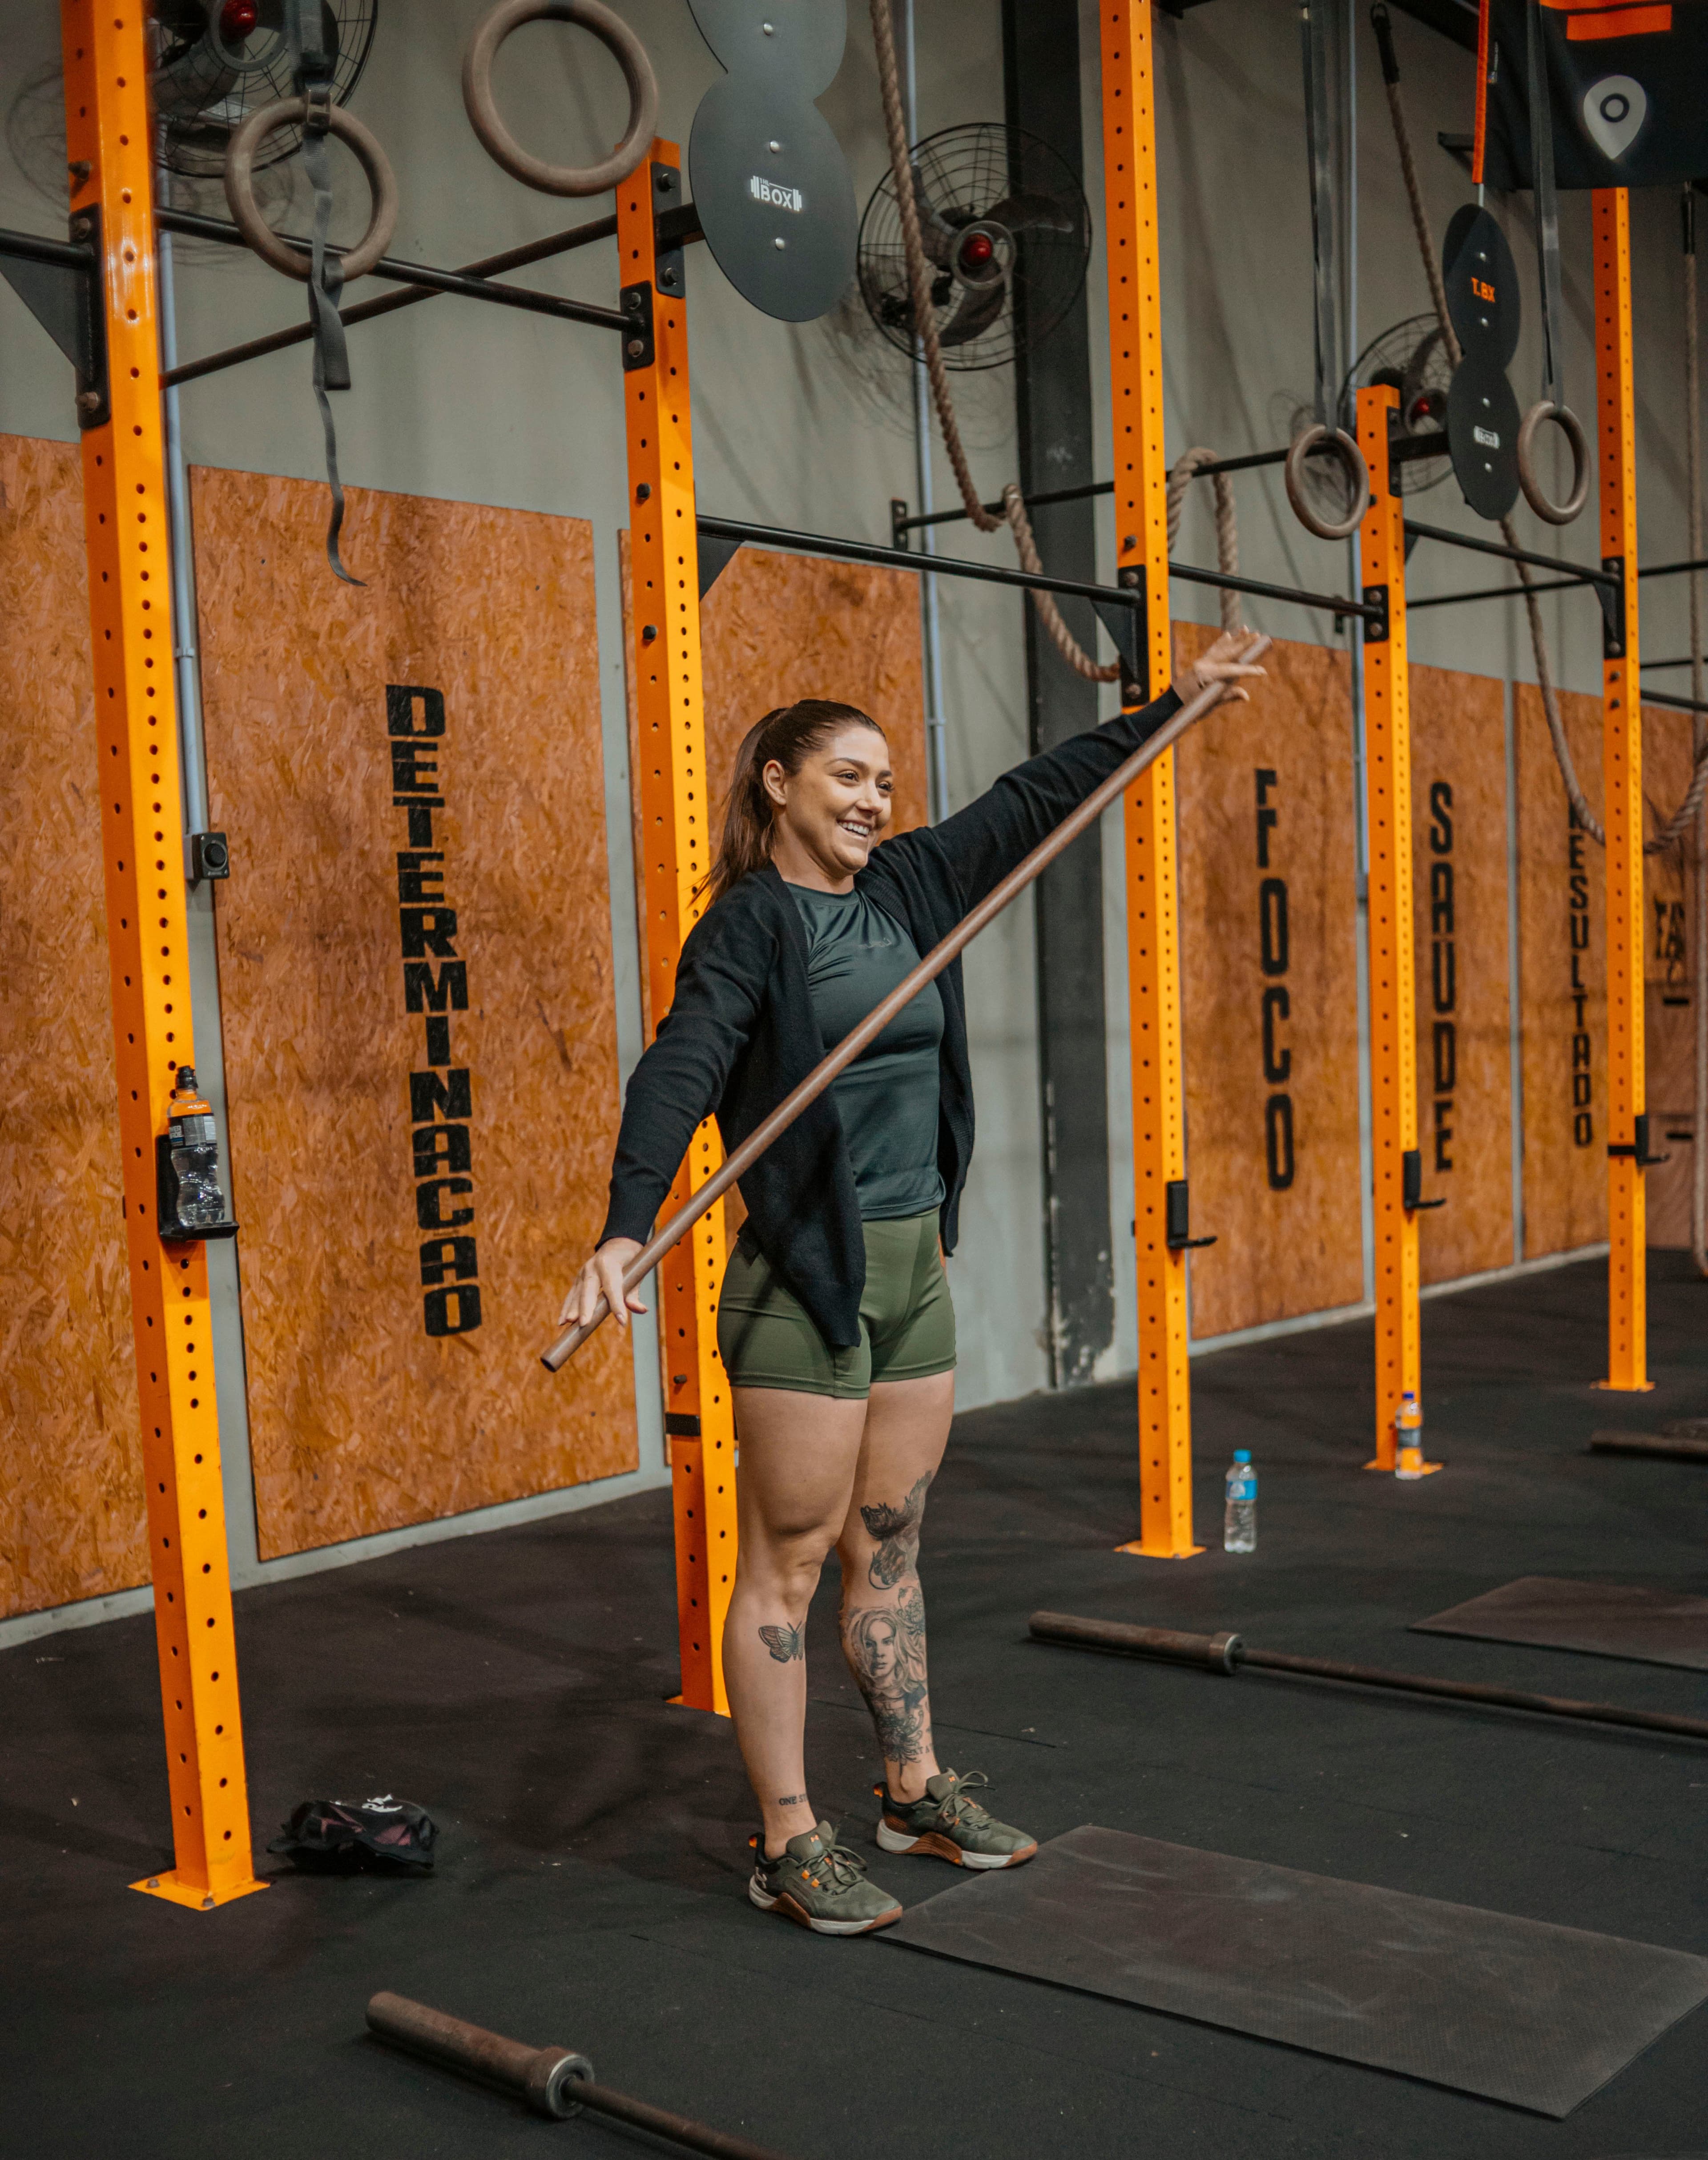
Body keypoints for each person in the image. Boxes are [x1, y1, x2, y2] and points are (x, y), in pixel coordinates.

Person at [562, 629, 1265, 1934]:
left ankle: (912, 1789)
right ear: (776, 781)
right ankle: (788, 1839)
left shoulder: (910, 885)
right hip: (805, 1284)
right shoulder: (750, 929)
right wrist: (623, 1227)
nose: (874, 799)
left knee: (890, 1547)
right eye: (846, 774)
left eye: (884, 778)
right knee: (782, 1566)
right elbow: (681, 1066)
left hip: (911, 1274)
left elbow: (1033, 800)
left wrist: (1177, 704)